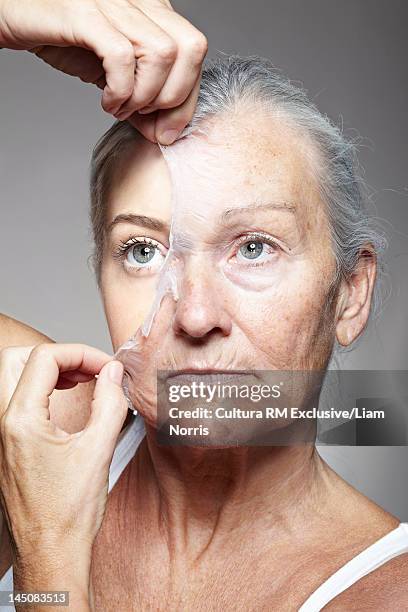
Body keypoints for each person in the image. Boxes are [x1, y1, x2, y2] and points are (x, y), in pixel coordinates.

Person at [1, 5, 407, 612]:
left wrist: (49, 553)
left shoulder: (387, 595)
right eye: (143, 250)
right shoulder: (31, 422)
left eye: (252, 247)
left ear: (350, 293)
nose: (193, 316)